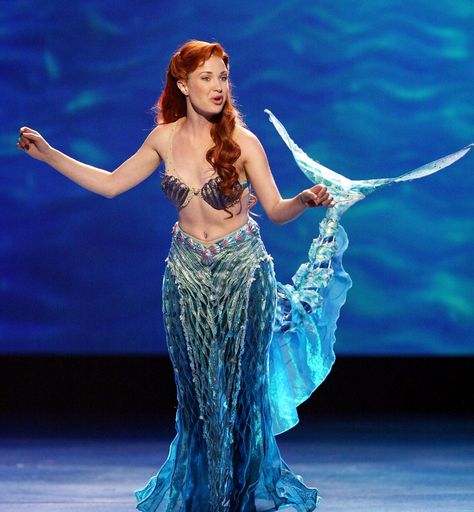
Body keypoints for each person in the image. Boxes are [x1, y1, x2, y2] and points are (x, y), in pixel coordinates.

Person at [16, 40, 335, 512]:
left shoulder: (244, 143)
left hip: (244, 276)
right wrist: (51, 156)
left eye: (223, 77)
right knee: (199, 395)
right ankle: (206, 494)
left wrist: (304, 201)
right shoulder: (163, 138)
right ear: (183, 85)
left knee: (242, 393)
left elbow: (275, 210)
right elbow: (110, 184)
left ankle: (238, 498)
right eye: (206, 78)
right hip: (185, 277)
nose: (218, 87)